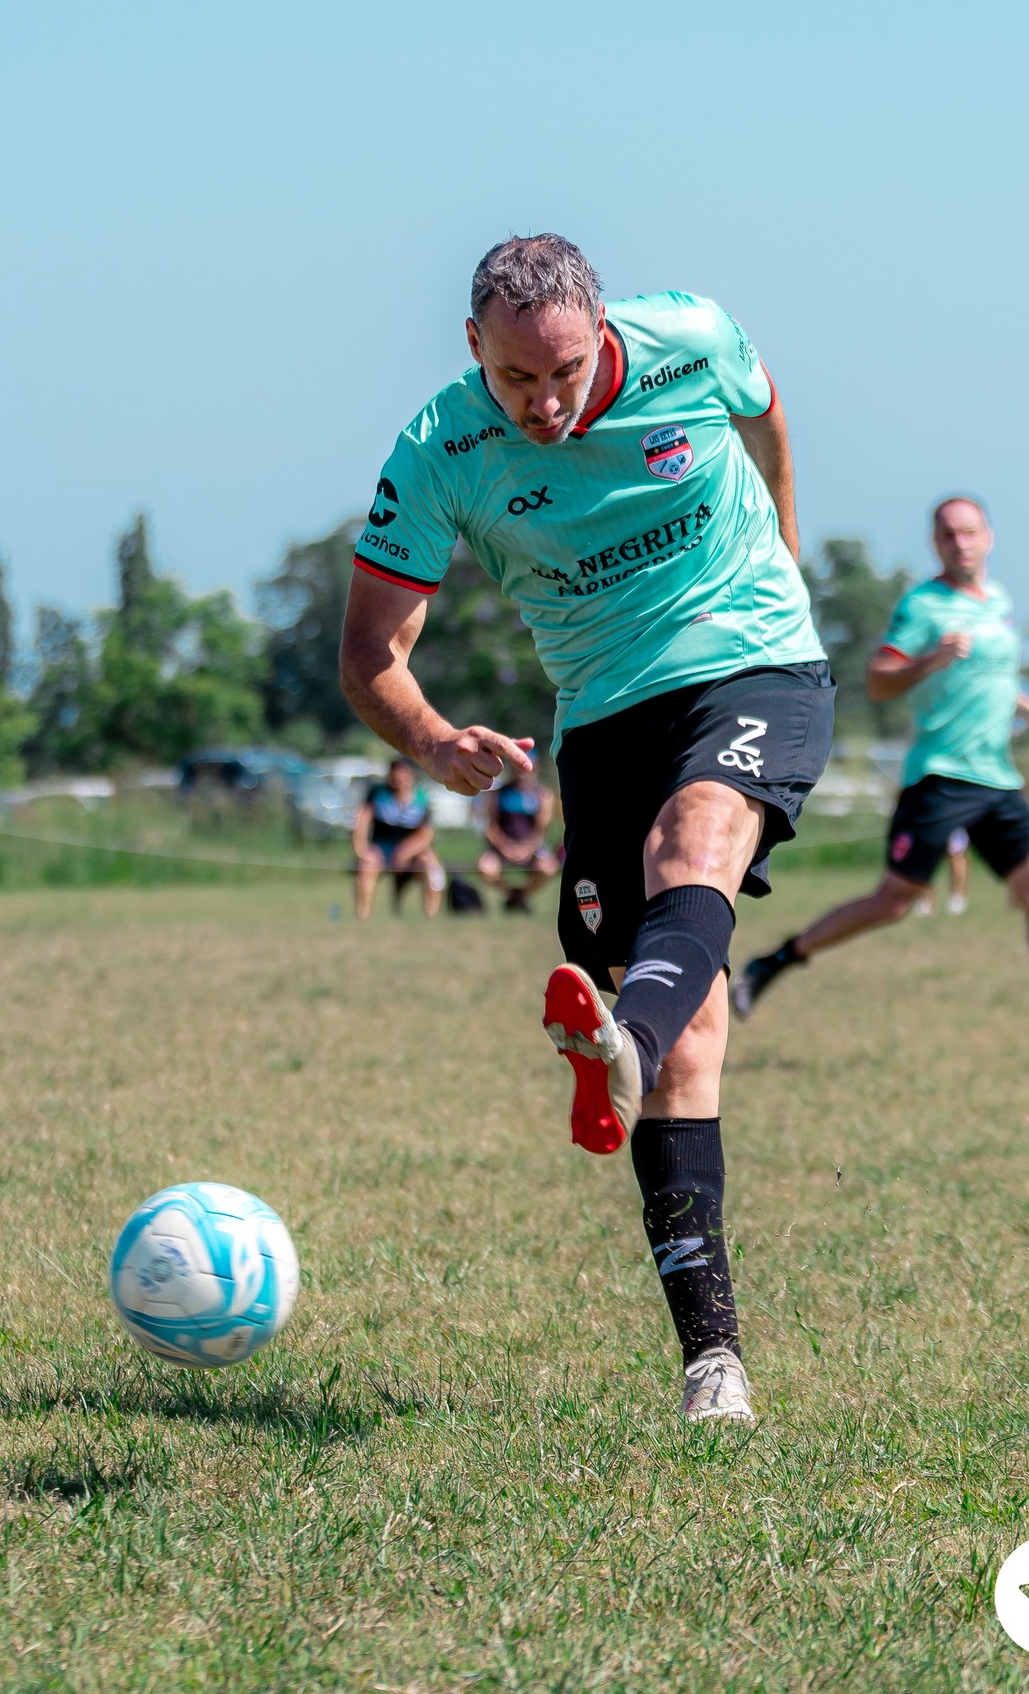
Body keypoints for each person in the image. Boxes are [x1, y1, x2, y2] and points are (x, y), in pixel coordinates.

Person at [341, 233, 834, 1424]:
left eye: (566, 371)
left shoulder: (694, 337)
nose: (546, 401)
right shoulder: (440, 446)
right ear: (475, 352)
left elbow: (767, 417)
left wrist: (784, 537)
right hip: (602, 716)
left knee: (697, 843)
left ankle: (623, 1038)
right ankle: (712, 1358)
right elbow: (370, 655)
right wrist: (429, 739)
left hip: (752, 655)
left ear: (605, 328)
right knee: (692, 1039)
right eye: (518, 380)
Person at [733, 498, 1029, 1060]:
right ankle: (777, 959)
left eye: (968, 532)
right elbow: (879, 679)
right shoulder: (923, 606)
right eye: (947, 535)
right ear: (936, 544)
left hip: (999, 780)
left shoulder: (1002, 603)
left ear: (989, 535)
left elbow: (997, 685)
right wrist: (929, 661)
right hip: (939, 780)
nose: (959, 543)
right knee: (894, 901)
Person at [352, 757, 445, 919]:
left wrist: (406, 852)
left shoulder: (421, 797)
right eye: (394, 773)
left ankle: (431, 915)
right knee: (367, 863)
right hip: (381, 848)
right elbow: (362, 821)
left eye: (402, 773)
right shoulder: (377, 794)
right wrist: (361, 848)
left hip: (413, 852)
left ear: (411, 776)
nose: (398, 778)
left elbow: (426, 834)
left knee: (432, 866)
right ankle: (363, 916)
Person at [477, 755, 559, 911]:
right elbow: (490, 827)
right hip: (502, 847)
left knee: (548, 868)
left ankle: (521, 895)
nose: (523, 772)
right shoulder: (498, 794)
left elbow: (541, 830)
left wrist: (527, 848)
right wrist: (506, 847)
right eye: (518, 767)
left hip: (532, 848)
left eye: (527, 767)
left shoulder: (543, 796)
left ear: (535, 768)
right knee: (485, 869)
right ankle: (513, 895)